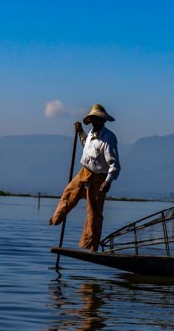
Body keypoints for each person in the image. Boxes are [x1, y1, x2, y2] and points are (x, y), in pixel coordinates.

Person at [49, 103, 121, 252]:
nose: (95, 122)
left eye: (98, 119)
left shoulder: (108, 139)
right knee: (69, 193)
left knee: (93, 212)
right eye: (93, 119)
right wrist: (81, 132)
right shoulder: (90, 134)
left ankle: (92, 245)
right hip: (84, 171)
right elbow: (86, 146)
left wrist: (108, 181)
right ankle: (56, 218)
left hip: (99, 178)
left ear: (103, 121)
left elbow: (114, 164)